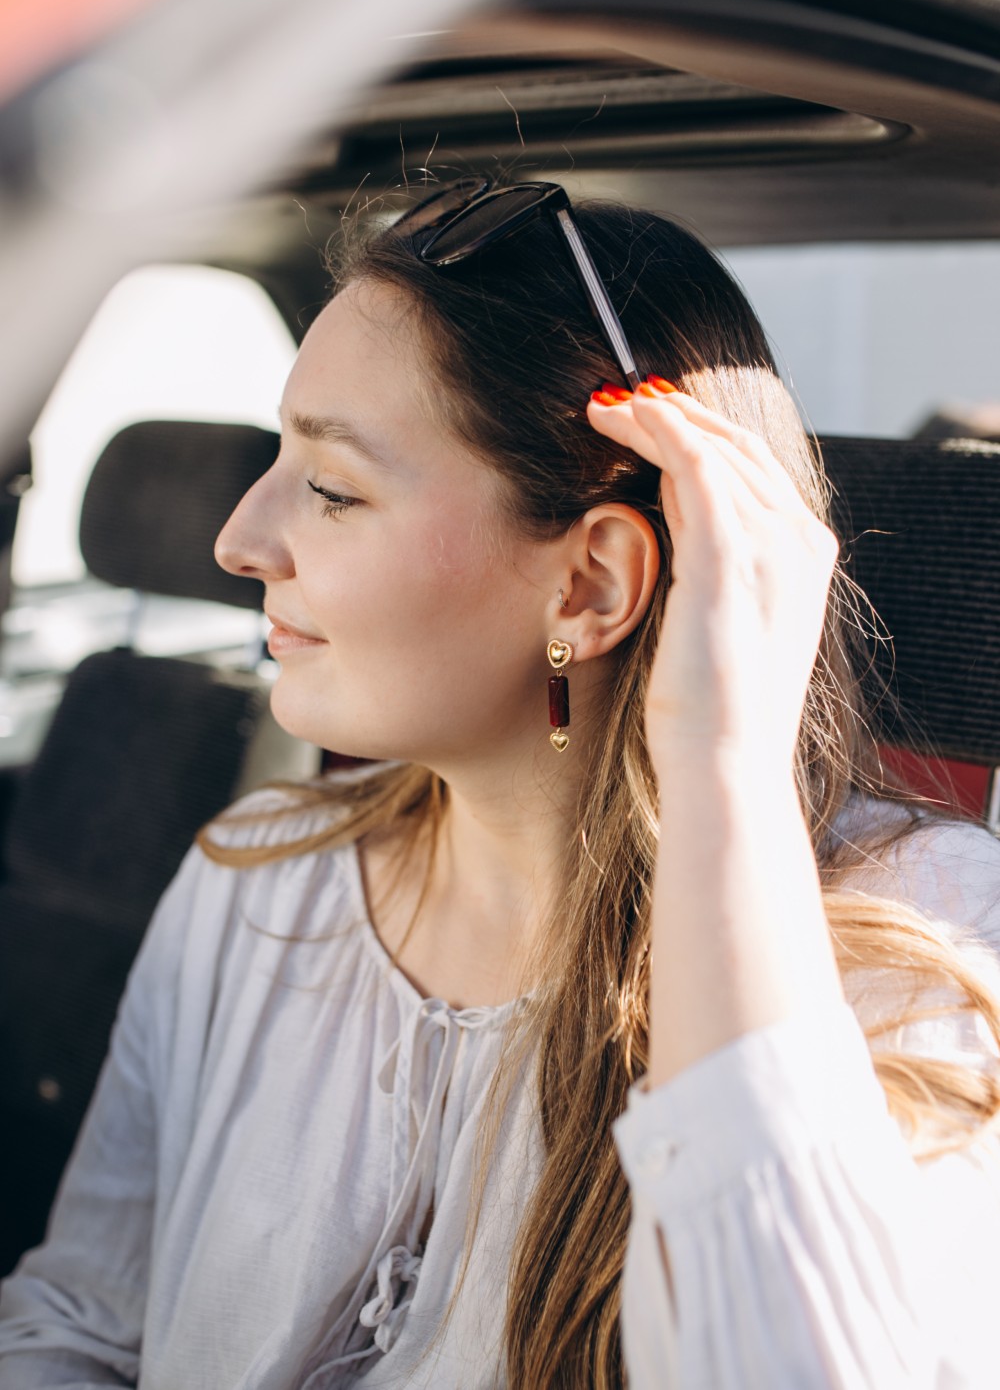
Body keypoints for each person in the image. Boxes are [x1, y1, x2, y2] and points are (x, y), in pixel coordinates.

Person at [1, 178, 999, 1389]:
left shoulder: (926, 962)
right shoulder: (256, 874)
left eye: (330, 487)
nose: (239, 540)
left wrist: (720, 773)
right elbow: (86, 1323)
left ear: (586, 587)